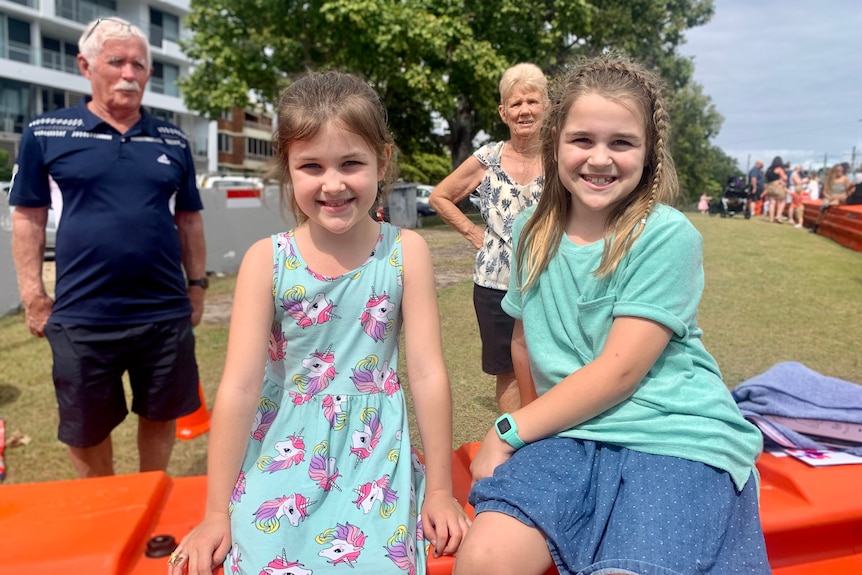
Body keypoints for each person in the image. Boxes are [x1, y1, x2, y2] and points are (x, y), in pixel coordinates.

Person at [453, 54, 769, 575]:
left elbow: (620, 370)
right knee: (484, 558)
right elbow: (524, 344)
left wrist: (508, 430)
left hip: (671, 434)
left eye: (621, 143)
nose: (600, 158)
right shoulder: (532, 228)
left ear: (649, 154)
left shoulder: (666, 235)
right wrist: (535, 439)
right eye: (582, 140)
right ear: (554, 143)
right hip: (572, 434)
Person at [169, 72, 469, 575]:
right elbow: (241, 387)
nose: (333, 183)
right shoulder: (266, 260)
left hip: (374, 450)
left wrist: (439, 490)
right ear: (288, 168)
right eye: (311, 165)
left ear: (383, 161)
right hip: (280, 446)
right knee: (265, 559)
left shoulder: (406, 252)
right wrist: (215, 513)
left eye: (351, 163)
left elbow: (426, 372)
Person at [8, 17, 206, 478]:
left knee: (161, 412)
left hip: (162, 312)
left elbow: (190, 220)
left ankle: (150, 493)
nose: (129, 74)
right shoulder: (46, 133)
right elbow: (28, 219)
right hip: (83, 315)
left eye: (139, 65)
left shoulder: (172, 140)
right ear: (85, 65)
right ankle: (103, 506)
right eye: (116, 62)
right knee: (86, 427)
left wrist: (196, 287)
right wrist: (34, 295)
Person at [429, 63, 548, 413]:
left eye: (532, 101)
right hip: (495, 283)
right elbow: (439, 196)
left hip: (550, 280)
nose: (524, 110)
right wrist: (471, 231)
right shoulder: (488, 158)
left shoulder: (562, 157)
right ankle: (516, 445)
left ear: (547, 106)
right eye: (515, 104)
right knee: (507, 370)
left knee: (553, 364)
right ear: (503, 112)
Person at [810, 163, 853, 233]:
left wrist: (838, 197)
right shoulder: (829, 179)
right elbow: (824, 191)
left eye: (841, 170)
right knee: (824, 206)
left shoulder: (845, 179)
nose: (839, 172)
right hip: (830, 196)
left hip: (840, 197)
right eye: (838, 170)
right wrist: (829, 197)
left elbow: (849, 191)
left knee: (837, 201)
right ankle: (816, 225)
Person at [763, 156, 788, 223]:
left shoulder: (768, 169)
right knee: (783, 200)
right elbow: (785, 178)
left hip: (769, 186)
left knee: (772, 202)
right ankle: (778, 216)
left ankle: (771, 219)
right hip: (777, 185)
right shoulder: (779, 169)